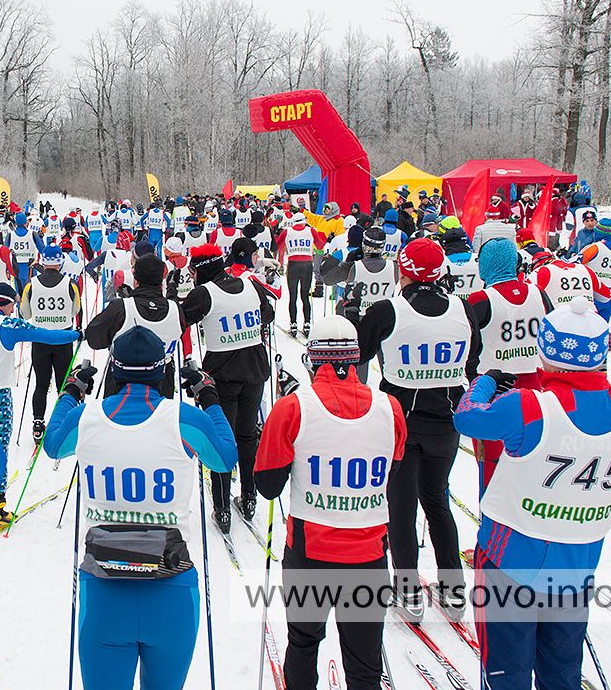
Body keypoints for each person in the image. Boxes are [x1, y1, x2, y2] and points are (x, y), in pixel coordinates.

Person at [43, 327, 237, 690]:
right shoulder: (183, 419)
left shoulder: (87, 418)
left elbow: (53, 445)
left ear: (113, 372)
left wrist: (72, 390)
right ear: (162, 371)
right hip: (171, 589)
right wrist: (208, 395)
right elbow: (226, 458)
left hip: (104, 591)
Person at [454, 299, 611, 690]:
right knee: (561, 673)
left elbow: (467, 417)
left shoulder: (529, 406)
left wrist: (486, 381)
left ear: (546, 351)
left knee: (506, 673)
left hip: (510, 560)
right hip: (577, 566)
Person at [255, 316, 406, 690]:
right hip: (368, 555)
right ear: (354, 360)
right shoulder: (391, 408)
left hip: (310, 553)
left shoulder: (292, 407)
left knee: (304, 645)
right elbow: (393, 473)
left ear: (312, 360)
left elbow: (268, 485)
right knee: (364, 664)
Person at [353, 238, 479, 621]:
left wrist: (352, 316)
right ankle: (454, 590)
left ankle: (408, 592)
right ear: (441, 272)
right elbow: (472, 361)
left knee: (402, 507)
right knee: (437, 501)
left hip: (401, 424)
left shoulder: (387, 310)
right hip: (446, 422)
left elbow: (357, 353)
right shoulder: (463, 308)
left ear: (403, 271)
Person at [0, 282, 80, 532]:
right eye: (13, 303)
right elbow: (45, 335)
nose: (14, 307)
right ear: (4, 303)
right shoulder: (6, 325)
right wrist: (75, 335)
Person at [178, 242, 274, 526]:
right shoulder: (249, 284)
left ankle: (221, 504)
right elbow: (266, 314)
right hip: (255, 368)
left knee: (222, 438)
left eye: (193, 271)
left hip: (223, 373)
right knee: (246, 436)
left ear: (200, 270)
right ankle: (249, 495)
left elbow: (181, 319)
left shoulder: (203, 293)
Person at [465, 238, 553, 490]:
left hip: (494, 391)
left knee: (492, 465)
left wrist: (471, 377)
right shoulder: (539, 293)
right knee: (532, 459)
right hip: (534, 388)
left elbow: (468, 346)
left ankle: (492, 521)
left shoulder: (481, 298)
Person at [86, 254, 185, 397]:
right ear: (161, 282)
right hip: (162, 384)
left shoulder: (121, 308)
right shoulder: (176, 309)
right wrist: (172, 291)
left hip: (121, 384)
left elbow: (94, 338)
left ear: (136, 280)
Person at [19, 245, 82, 443]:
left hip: (41, 338)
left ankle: (38, 423)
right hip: (63, 338)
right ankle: (65, 421)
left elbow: (25, 313)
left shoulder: (31, 283)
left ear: (43, 261)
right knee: (63, 384)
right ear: (60, 262)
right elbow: (75, 311)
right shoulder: (70, 283)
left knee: (41, 383)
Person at [277, 212, 324, 338]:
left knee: (293, 296)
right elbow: (320, 245)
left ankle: (293, 324)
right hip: (307, 264)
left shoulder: (287, 231)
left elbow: (277, 245)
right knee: (305, 296)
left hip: (293, 264)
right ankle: (307, 323)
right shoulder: (311, 230)